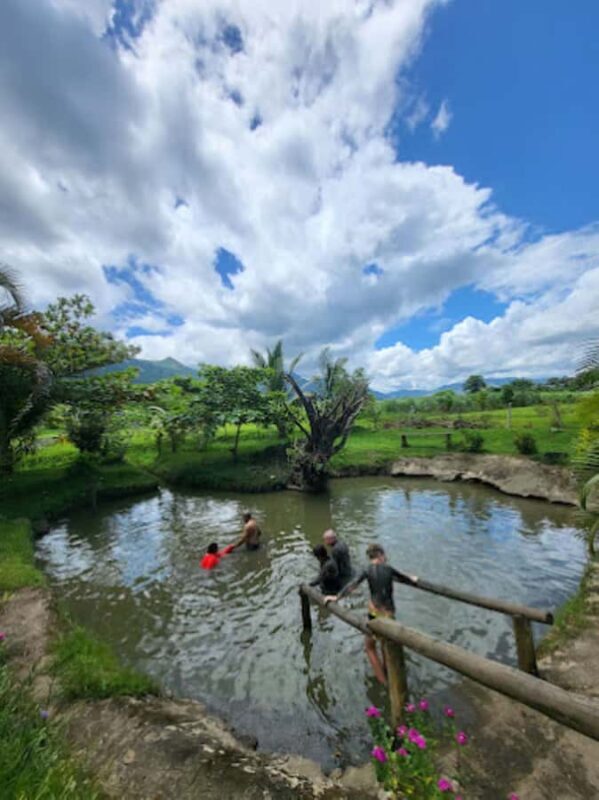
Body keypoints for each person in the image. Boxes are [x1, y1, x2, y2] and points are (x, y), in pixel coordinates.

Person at [325, 543, 419, 686]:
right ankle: (391, 676)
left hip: (375, 614)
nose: (386, 557)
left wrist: (336, 597)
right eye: (384, 555)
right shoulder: (389, 569)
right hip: (389, 614)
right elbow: (406, 578)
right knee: (386, 646)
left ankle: (384, 682)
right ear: (380, 554)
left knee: (370, 647)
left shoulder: (367, 570)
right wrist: (413, 578)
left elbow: (352, 586)